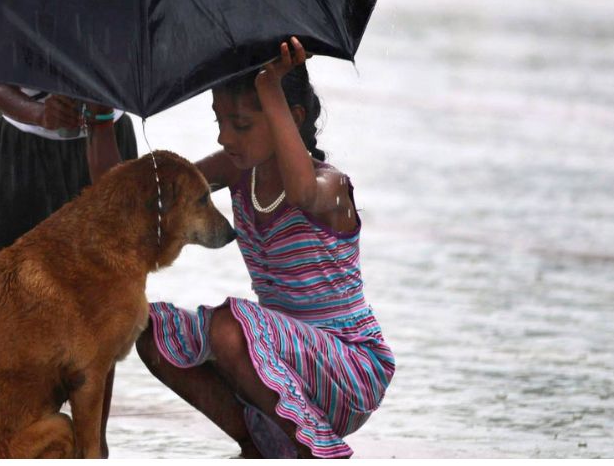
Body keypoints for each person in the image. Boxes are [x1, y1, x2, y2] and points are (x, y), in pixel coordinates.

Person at [84, 37, 394, 458]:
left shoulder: (330, 186)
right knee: (150, 330)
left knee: (230, 327)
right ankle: (257, 444)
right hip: (273, 366)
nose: (226, 137)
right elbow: (129, 199)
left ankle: (313, 452)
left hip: (350, 368)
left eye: (241, 124)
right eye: (220, 121)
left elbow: (301, 192)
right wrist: (100, 115)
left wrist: (271, 84)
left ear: (292, 117)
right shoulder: (236, 170)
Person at [0, 83, 138, 264]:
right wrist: (39, 114)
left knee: (113, 265)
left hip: (109, 131)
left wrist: (100, 116)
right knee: (13, 273)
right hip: (25, 145)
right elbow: (0, 89)